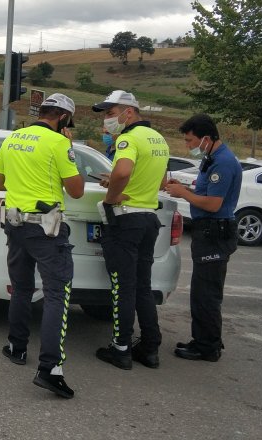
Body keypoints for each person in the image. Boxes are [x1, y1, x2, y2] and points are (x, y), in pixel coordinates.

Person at [0, 93, 84, 399]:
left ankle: (16, 347)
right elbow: (77, 190)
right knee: (57, 295)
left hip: (15, 225)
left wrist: (23, 181)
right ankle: (50, 370)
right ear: (63, 118)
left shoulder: (14, 138)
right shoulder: (59, 144)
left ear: (42, 112)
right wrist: (68, 149)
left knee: (21, 288)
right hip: (47, 230)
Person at [92, 90, 169, 370]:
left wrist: (111, 195)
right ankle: (150, 348)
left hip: (126, 219)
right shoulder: (158, 139)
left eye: (110, 114)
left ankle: (121, 349)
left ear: (128, 112)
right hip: (149, 219)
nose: (107, 120)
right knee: (142, 287)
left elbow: (124, 173)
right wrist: (115, 181)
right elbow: (160, 181)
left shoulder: (127, 138)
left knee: (122, 287)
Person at [164, 114, 242, 362]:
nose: (188, 146)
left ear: (205, 139)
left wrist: (183, 193)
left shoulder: (223, 163)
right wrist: (184, 189)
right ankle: (205, 339)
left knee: (206, 294)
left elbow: (213, 203)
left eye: (190, 141)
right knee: (201, 292)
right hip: (208, 230)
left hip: (215, 231)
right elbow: (205, 193)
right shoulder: (212, 159)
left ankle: (207, 347)